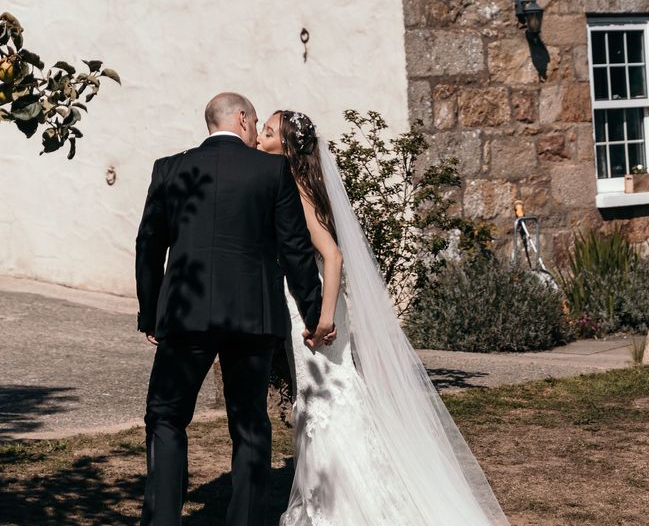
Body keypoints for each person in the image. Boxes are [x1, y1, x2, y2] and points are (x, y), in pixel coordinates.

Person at [257, 109, 510, 525]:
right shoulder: (302, 183)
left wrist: (322, 317)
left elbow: (333, 255)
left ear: (286, 147)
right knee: (332, 392)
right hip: (323, 301)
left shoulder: (298, 190)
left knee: (325, 397)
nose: (260, 139)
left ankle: (338, 506)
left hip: (318, 308)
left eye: (267, 134)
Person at [135, 93, 325, 526]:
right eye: (256, 122)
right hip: (252, 317)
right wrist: (314, 315)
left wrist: (151, 313)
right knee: (249, 422)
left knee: (166, 417)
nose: (258, 132)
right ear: (241, 118)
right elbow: (295, 250)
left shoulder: (170, 169)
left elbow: (148, 248)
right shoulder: (273, 171)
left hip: (186, 314)